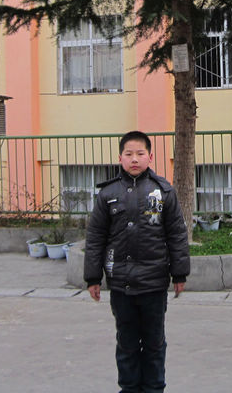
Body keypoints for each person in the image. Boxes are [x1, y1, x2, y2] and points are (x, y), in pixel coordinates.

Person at [85, 130, 190, 393]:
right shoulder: (107, 194)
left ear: (150, 157)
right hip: (121, 285)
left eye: (140, 154)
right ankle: (129, 388)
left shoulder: (163, 191)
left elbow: (177, 234)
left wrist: (179, 274)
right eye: (129, 154)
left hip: (154, 285)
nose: (134, 159)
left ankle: (154, 388)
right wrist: (93, 278)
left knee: (154, 343)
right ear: (120, 158)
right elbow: (96, 237)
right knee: (127, 343)